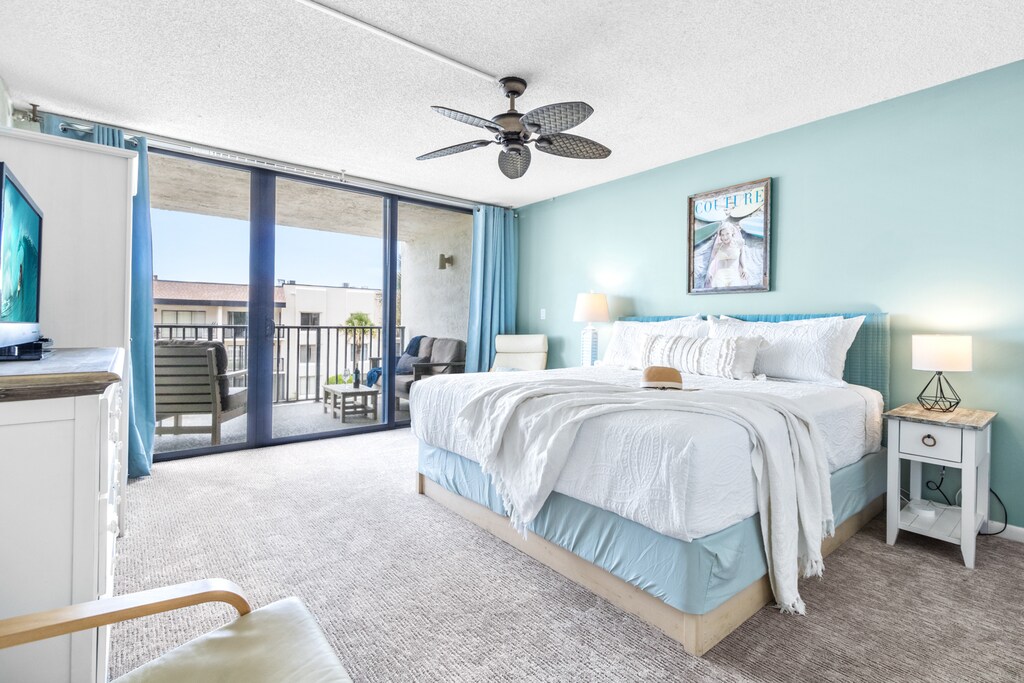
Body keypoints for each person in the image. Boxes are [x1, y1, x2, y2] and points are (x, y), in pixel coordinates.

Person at [704, 221, 747, 288]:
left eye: (727, 234)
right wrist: (708, 272)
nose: (725, 237)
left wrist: (744, 268)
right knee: (720, 290)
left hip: (734, 274)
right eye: (722, 235)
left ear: (732, 232)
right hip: (720, 275)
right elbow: (712, 259)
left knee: (734, 290)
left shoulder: (739, 243)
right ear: (720, 236)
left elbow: (742, 256)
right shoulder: (718, 246)